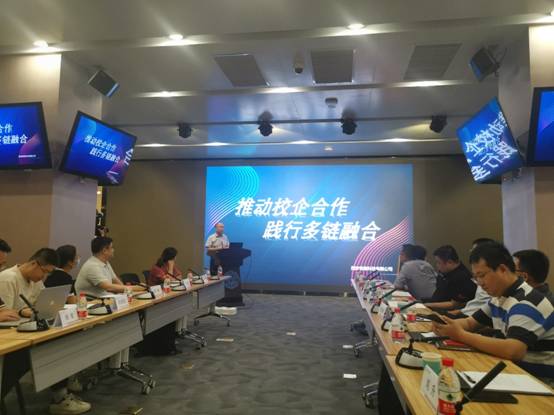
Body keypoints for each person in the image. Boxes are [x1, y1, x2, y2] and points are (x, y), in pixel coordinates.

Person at [433, 242, 554, 380]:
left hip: (538, 381)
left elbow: (513, 350)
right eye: (476, 277)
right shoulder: (499, 297)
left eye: (482, 275)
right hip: (513, 372)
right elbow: (470, 323)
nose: (480, 283)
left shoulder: (526, 301)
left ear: (502, 269)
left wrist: (460, 335)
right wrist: (445, 325)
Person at [0, 248, 91, 414]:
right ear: (34, 264)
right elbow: (6, 315)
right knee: (42, 352)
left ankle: (60, 396)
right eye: (44, 272)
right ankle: (59, 397)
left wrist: (35, 311)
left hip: (29, 330)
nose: (44, 277)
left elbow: (41, 303)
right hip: (12, 337)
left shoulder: (35, 280)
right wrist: (23, 312)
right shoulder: (8, 278)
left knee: (61, 342)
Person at [75, 237, 145, 297]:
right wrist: (136, 288)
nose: (113, 250)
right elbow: (108, 287)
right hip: (91, 304)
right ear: (104, 251)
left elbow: (115, 281)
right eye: (112, 248)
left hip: (105, 300)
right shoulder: (92, 266)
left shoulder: (105, 262)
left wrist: (129, 291)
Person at [425, 245, 476, 310]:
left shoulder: (463, 277)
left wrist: (428, 305)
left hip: (445, 311)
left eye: (438, 262)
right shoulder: (445, 272)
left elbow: (456, 305)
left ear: (450, 262)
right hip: (434, 304)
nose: (437, 265)